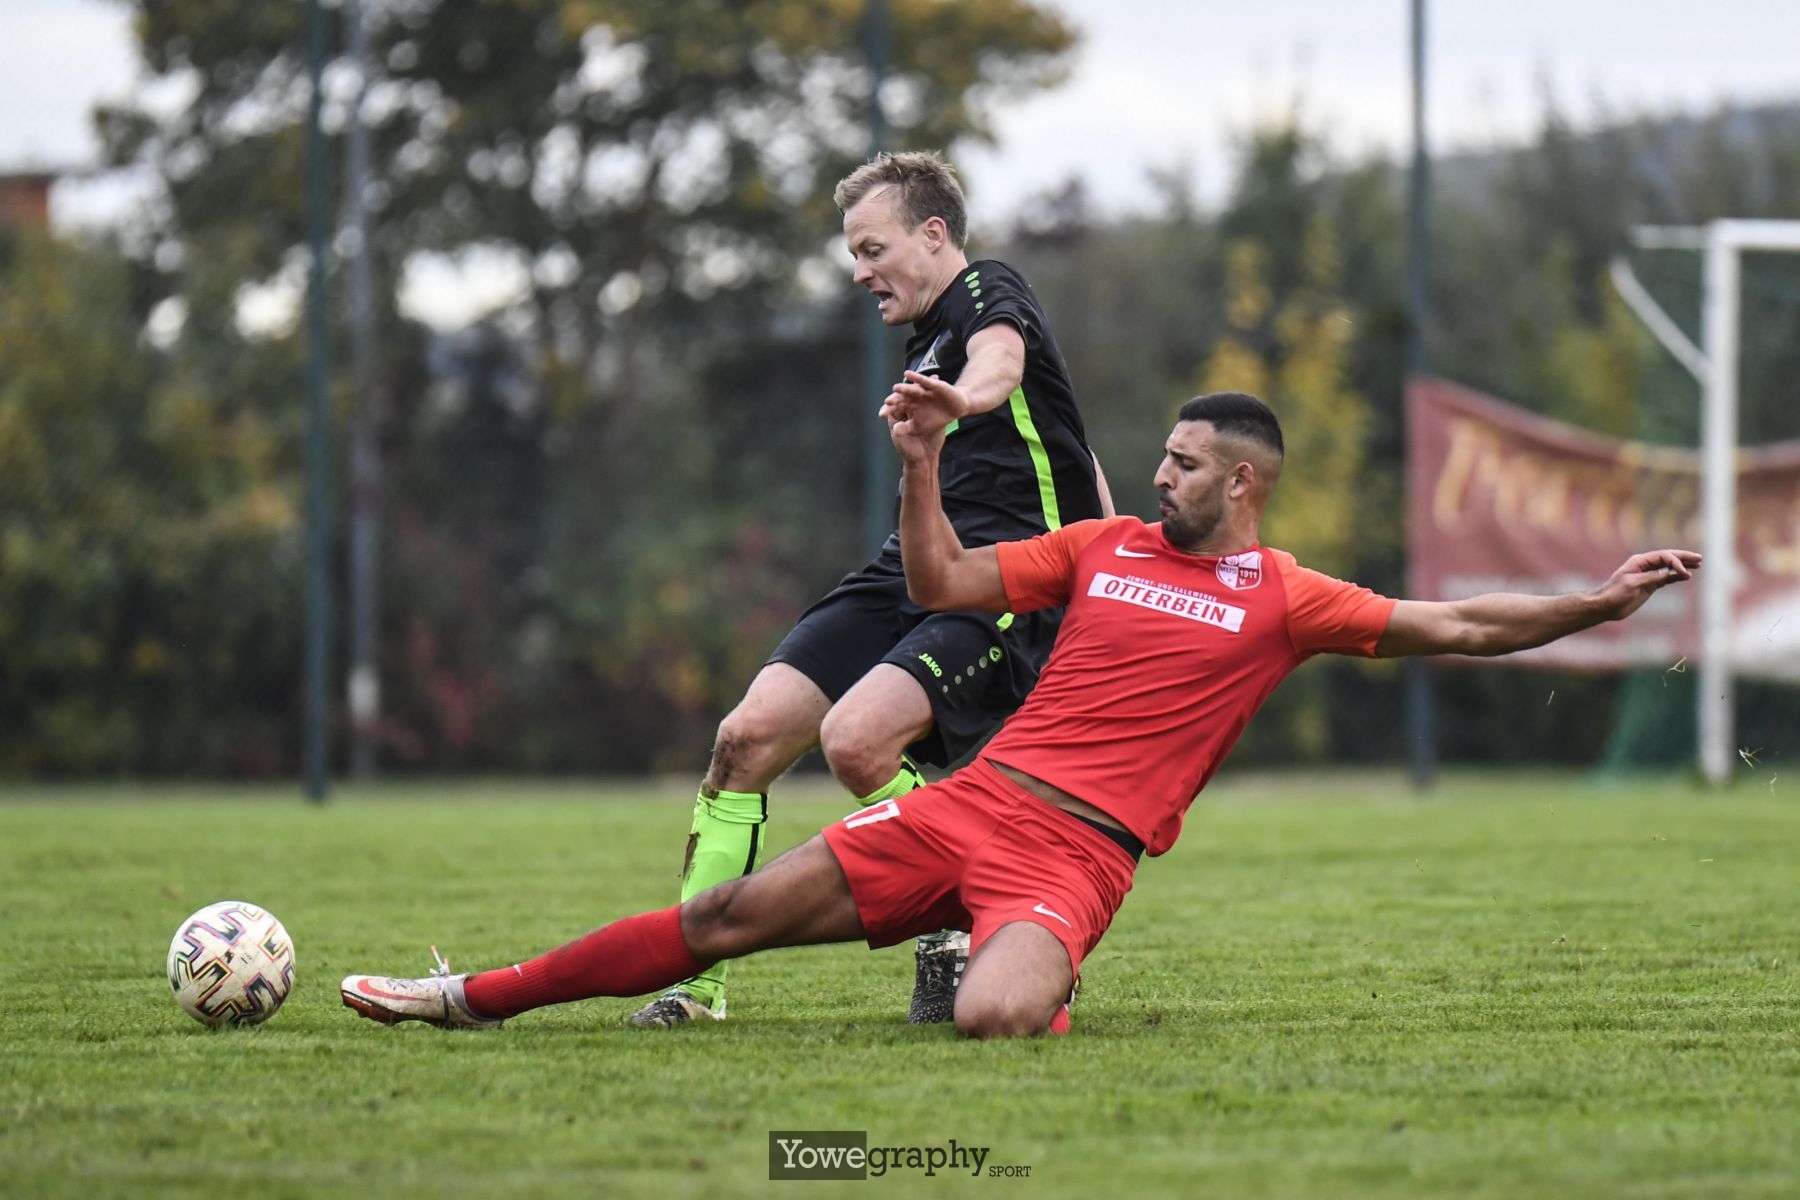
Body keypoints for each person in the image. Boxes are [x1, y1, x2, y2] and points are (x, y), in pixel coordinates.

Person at [342, 390, 1699, 1039]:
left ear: (1242, 484)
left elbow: (1457, 626)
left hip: (1078, 854)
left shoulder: (1283, 596)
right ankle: (467, 998)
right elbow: (941, 582)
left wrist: (1597, 603)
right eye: (1162, 454)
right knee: (721, 920)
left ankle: (1033, 966)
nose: (1157, 473)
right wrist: (922, 463)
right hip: (968, 806)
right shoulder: (1102, 547)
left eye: (1183, 462)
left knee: (992, 1024)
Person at [627, 150, 1111, 1029]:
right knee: (744, 739)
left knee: (857, 743)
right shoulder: (927, 338)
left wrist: (959, 402)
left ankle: (978, 908)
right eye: (854, 253)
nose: (859, 271)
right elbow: (1077, 452)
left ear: (934, 235)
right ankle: (695, 989)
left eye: (872, 249)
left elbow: (1000, 362)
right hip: (909, 567)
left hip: (1002, 577)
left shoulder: (986, 290)